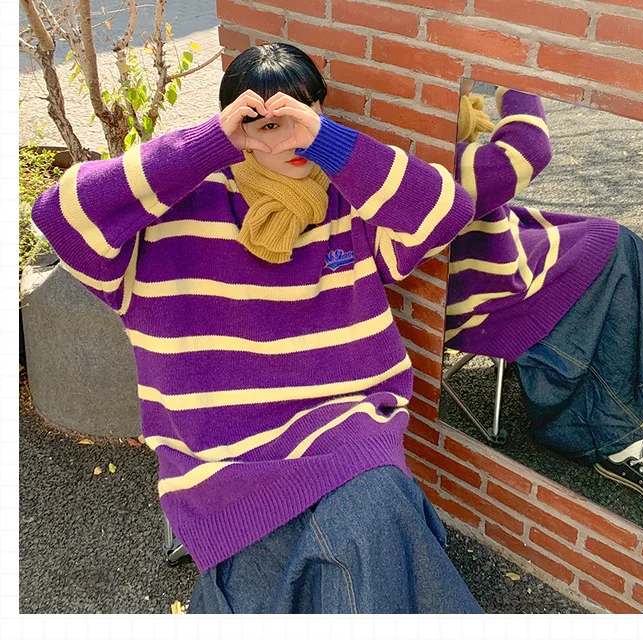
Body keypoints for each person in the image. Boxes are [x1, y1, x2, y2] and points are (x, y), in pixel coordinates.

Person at [31, 43, 484, 614]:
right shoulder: (171, 215)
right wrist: (211, 143)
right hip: (222, 459)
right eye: (264, 124)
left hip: (344, 429)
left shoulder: (349, 204)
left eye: (302, 117)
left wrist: (327, 140)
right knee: (366, 543)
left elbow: (447, 210)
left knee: (371, 509)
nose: (285, 140)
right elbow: (58, 213)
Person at [446, 85, 643, 519]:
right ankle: (620, 446)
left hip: (491, 244)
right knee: (594, 294)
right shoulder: (433, 158)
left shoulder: (434, 150)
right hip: (479, 291)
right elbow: (528, 148)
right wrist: (513, 76)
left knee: (616, 242)